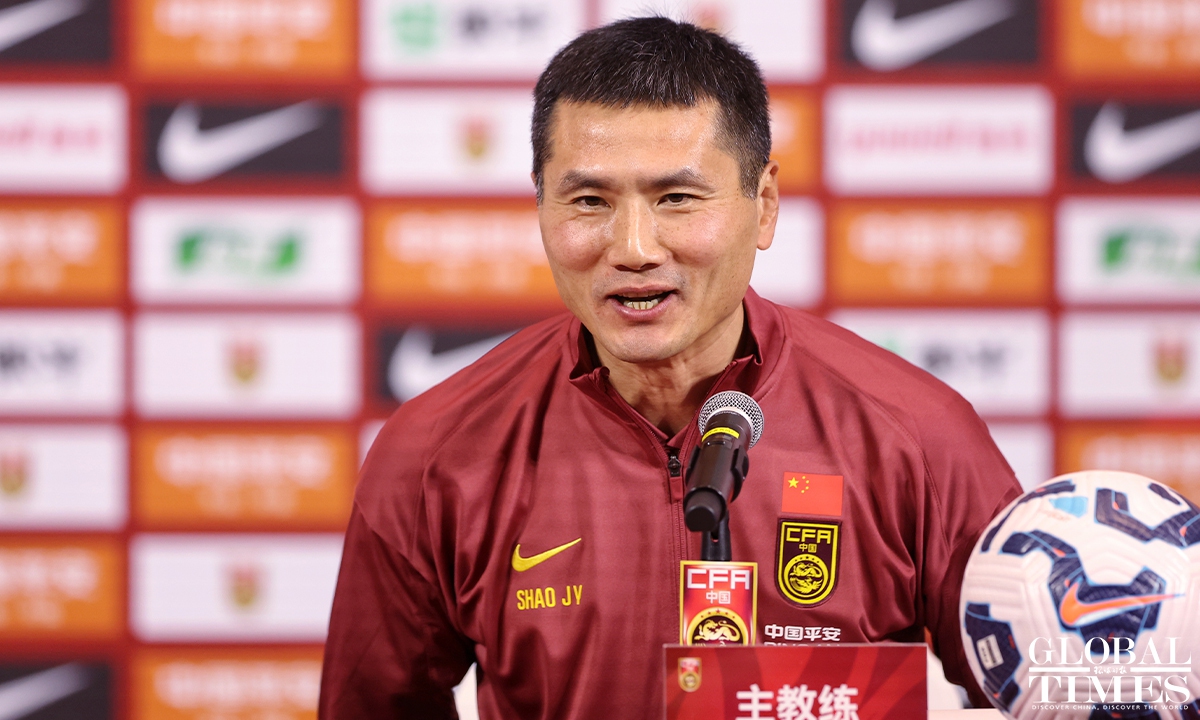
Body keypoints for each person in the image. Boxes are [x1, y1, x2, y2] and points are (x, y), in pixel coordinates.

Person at [319, 16, 1022, 719]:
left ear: (764, 205)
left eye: (676, 198)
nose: (633, 249)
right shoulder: (434, 453)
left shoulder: (917, 436)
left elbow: (1037, 692)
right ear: (539, 204)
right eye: (589, 201)